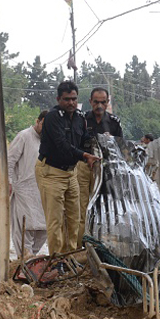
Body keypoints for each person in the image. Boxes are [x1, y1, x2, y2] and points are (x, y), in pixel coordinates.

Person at [36, 81, 100, 256]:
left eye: (74, 99)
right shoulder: (52, 117)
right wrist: (85, 156)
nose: (71, 103)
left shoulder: (80, 118)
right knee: (55, 221)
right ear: (59, 99)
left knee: (75, 219)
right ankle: (56, 260)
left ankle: (70, 256)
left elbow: (85, 139)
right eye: (66, 99)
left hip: (71, 173)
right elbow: (62, 145)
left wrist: (98, 146)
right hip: (51, 172)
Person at [77, 87, 123, 247]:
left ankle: (101, 247)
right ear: (90, 102)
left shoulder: (114, 122)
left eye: (103, 102)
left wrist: (110, 141)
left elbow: (120, 150)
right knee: (81, 208)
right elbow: (73, 144)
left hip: (105, 171)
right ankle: (80, 248)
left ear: (107, 102)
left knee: (103, 207)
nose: (99, 105)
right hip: (83, 168)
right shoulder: (80, 120)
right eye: (96, 102)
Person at [8, 110, 49, 257]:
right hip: (24, 191)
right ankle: (24, 260)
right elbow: (10, 160)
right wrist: (8, 182)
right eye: (43, 124)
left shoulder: (48, 139)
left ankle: (31, 260)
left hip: (42, 192)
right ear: (37, 121)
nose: (45, 129)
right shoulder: (24, 136)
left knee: (43, 228)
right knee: (25, 228)